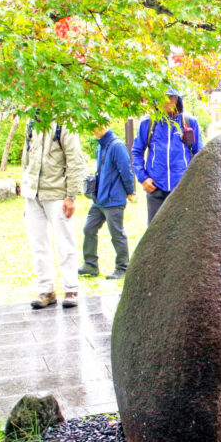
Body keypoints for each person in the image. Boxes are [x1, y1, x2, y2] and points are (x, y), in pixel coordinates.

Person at [21, 110, 88, 309]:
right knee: (38, 244)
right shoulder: (32, 122)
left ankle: (71, 289)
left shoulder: (64, 122)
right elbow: (26, 158)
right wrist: (25, 187)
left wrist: (71, 196)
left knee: (65, 243)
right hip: (33, 195)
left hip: (58, 194)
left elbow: (75, 160)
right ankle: (46, 290)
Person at [131, 88, 203, 223]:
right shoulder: (148, 123)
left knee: (182, 233)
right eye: (163, 97)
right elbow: (136, 151)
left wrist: (194, 181)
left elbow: (199, 153)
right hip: (156, 187)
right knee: (154, 235)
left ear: (178, 99)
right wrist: (143, 178)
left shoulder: (188, 121)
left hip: (182, 189)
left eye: (172, 97)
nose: (168, 101)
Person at [78, 121, 138, 280]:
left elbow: (126, 170)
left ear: (106, 125)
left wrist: (130, 191)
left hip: (114, 200)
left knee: (116, 234)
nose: (95, 130)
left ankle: (123, 267)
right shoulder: (100, 146)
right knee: (88, 229)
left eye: (97, 125)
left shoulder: (117, 145)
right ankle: (90, 265)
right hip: (99, 200)